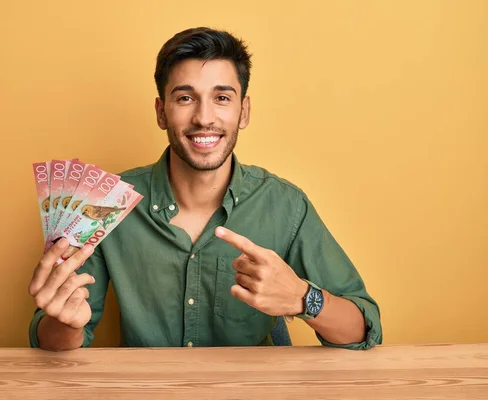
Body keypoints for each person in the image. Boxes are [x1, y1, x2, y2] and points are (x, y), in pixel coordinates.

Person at [27, 27, 382, 351]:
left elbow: (363, 329)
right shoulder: (106, 205)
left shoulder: (286, 206)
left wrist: (304, 298)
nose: (204, 118)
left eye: (222, 98)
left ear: (243, 111)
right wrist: (64, 322)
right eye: (185, 98)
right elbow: (54, 344)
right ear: (161, 112)